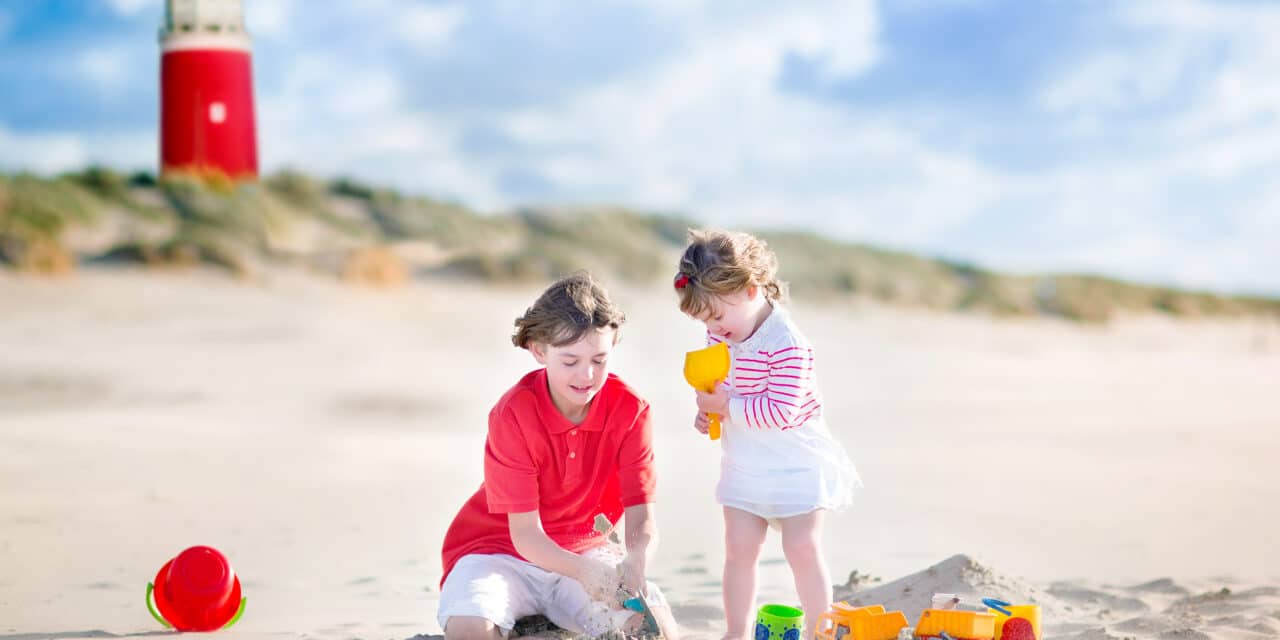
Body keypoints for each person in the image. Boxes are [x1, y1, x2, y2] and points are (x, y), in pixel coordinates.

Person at [438, 272, 678, 639]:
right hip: (498, 555)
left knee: (653, 630)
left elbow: (641, 516)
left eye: (600, 359)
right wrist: (582, 572)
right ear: (539, 351)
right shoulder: (513, 414)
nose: (587, 375)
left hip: (588, 553)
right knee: (470, 629)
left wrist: (637, 558)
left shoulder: (631, 411)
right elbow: (525, 535)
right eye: (570, 361)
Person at [673, 229, 861, 640]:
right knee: (739, 551)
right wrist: (707, 413)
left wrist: (726, 407)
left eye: (717, 317)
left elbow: (780, 411)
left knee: (801, 548)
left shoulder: (787, 343)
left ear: (751, 289)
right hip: (746, 462)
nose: (713, 330)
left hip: (796, 462)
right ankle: (735, 631)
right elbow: (720, 388)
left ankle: (819, 630)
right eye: (704, 321)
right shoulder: (721, 332)